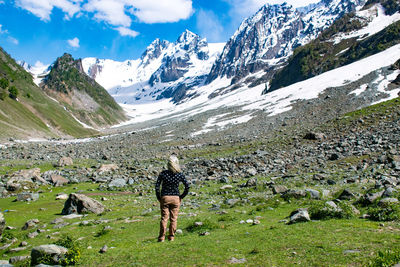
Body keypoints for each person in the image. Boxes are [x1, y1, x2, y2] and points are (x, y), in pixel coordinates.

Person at [155, 154, 189, 242]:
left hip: (165, 197)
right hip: (175, 198)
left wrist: (159, 197)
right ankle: (171, 237)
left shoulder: (163, 174)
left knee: (164, 218)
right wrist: (181, 196)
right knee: (174, 218)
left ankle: (161, 237)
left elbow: (157, 186)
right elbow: (187, 186)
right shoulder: (180, 174)